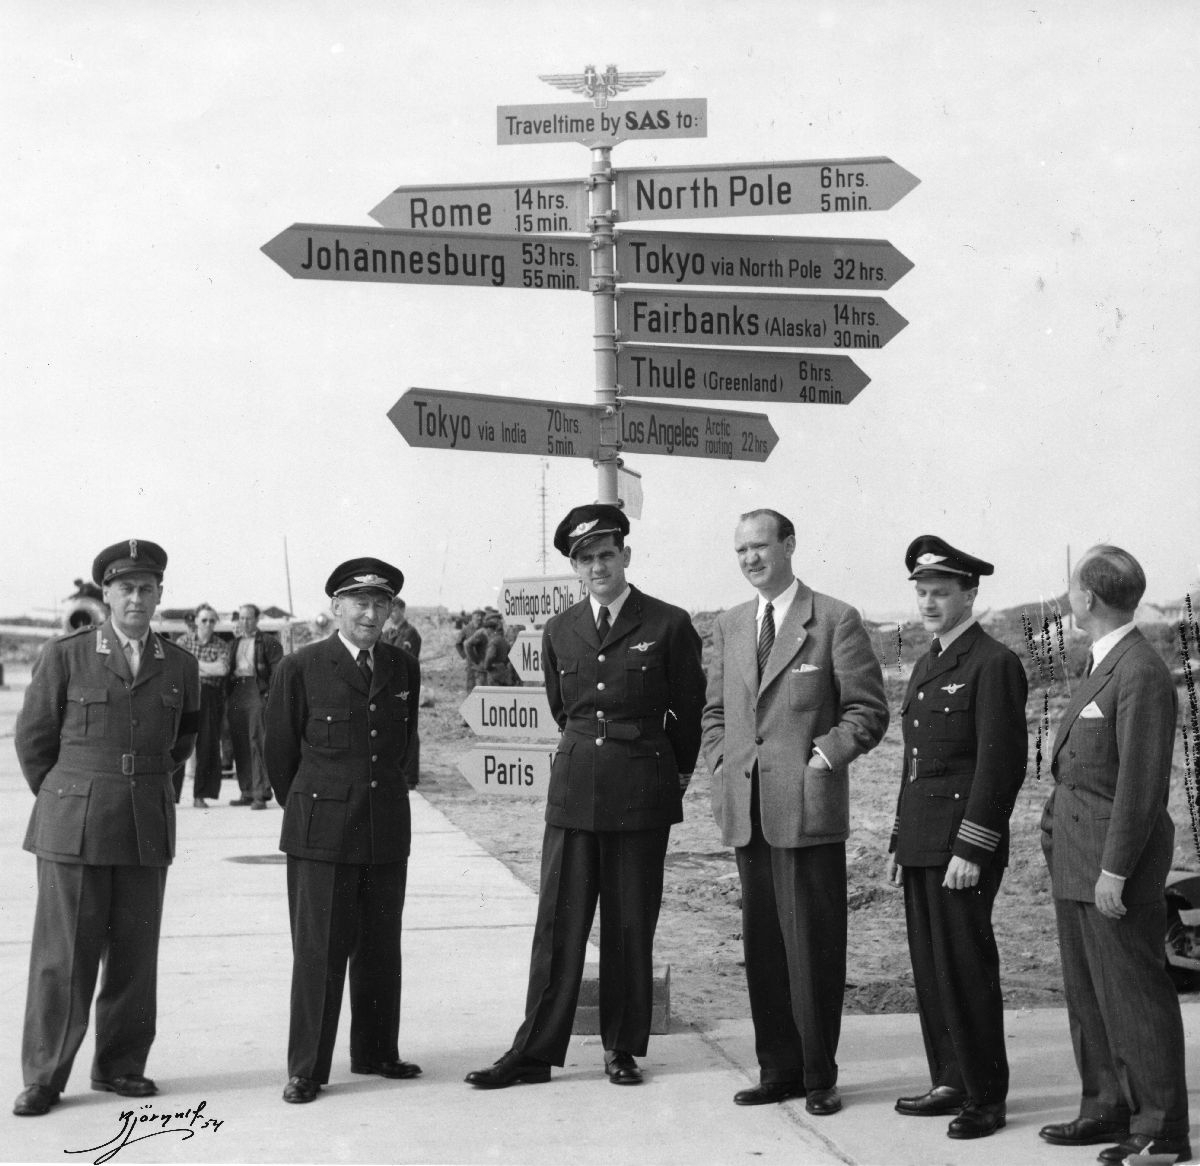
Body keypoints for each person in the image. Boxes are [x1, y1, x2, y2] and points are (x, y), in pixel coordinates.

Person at [465, 504, 705, 1089]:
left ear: (626, 555)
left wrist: (669, 776)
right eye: (585, 558)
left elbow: (689, 715)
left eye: (606, 553)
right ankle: (534, 1052)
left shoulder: (668, 624)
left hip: (640, 790)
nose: (597, 566)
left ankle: (622, 1049)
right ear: (574, 567)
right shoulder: (560, 629)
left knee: (629, 925)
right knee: (558, 924)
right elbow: (561, 706)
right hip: (574, 788)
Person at [701, 509, 887, 1116]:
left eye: (760, 546)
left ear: (789, 545)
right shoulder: (730, 625)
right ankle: (775, 1069)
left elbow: (867, 712)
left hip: (806, 811)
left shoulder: (834, 619)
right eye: (740, 551)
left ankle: (817, 1076)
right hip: (747, 811)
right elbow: (715, 713)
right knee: (763, 946)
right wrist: (720, 763)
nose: (751, 558)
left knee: (812, 946)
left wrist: (824, 758)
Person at [12, 540, 200, 1117]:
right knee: (63, 956)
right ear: (107, 595)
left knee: (135, 957)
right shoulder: (66, 655)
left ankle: (121, 1067)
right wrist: (71, 795)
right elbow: (34, 742)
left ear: (160, 595)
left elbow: (182, 743)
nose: (137, 598)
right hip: (76, 823)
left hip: (145, 821)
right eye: (126, 589)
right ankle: (45, 1076)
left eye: (147, 589)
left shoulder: (182, 664)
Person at [1038, 545, 1191, 1164]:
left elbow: (1142, 785)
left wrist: (1115, 870)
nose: (1069, 599)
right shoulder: (1103, 661)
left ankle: (1161, 1129)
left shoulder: (1140, 670)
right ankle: (1106, 1106)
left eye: (1072, 590)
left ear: (1088, 598)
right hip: (1075, 855)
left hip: (1109, 864)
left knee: (1133, 994)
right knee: (1088, 993)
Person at [884, 536, 1028, 1140]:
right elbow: (915, 763)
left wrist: (973, 847)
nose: (928, 603)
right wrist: (898, 840)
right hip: (922, 837)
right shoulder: (927, 662)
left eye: (940, 593)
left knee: (966, 967)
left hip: (960, 845)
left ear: (970, 594)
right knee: (931, 966)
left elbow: (1001, 765)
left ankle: (985, 1097)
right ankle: (949, 1078)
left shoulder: (992, 662)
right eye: (921, 593)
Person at [264, 557, 421, 1105]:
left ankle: (376, 1051)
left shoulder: (402, 665)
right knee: (320, 952)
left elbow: (405, 745)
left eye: (381, 604)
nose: (371, 613)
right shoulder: (302, 665)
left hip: (384, 828)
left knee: (381, 946)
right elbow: (279, 756)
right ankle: (307, 1067)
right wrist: (314, 807)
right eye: (360, 602)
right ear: (336, 607)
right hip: (322, 831)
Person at [227, 603, 282, 809]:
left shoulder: (268, 642)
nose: (244, 622)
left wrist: (270, 696)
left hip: (257, 691)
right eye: (241, 618)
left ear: (257, 619)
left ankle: (262, 792)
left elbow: (278, 672)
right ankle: (247, 791)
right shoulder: (234, 643)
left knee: (257, 741)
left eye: (248, 618)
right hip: (237, 692)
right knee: (240, 742)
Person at [176, 603, 231, 808]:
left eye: (211, 620)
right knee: (179, 743)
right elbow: (179, 669)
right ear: (196, 621)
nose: (208, 624)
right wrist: (207, 667)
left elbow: (222, 669)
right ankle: (171, 794)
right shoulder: (183, 641)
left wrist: (194, 665)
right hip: (186, 696)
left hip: (210, 697)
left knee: (208, 745)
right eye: (204, 620)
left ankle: (201, 795)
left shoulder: (221, 645)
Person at [382, 598, 422, 787]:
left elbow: (403, 658)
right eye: (390, 610)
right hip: (388, 686)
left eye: (396, 610)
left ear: (403, 611)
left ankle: (410, 776)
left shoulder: (410, 633)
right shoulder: (388, 632)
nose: (392, 614)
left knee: (408, 729)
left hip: (404, 685)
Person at [455, 609, 484, 689]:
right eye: (477, 616)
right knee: (471, 680)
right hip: (470, 660)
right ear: (472, 617)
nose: (479, 618)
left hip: (481, 659)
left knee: (482, 681)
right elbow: (458, 643)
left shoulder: (484, 628)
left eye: (481, 616)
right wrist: (464, 655)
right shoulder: (466, 628)